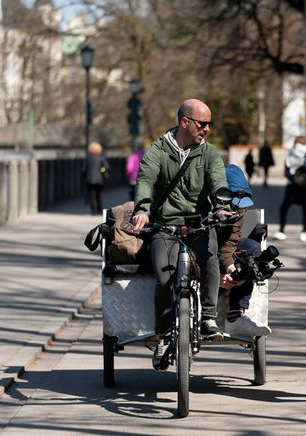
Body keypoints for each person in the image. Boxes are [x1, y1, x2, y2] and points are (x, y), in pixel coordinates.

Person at [131, 99, 230, 370]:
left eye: (210, 123)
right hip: (166, 227)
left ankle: (208, 318)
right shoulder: (157, 152)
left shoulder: (208, 153)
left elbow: (218, 180)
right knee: (164, 278)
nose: (208, 129)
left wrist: (221, 207)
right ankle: (163, 334)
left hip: (199, 225)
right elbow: (145, 181)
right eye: (203, 123)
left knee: (210, 258)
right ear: (185, 121)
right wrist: (142, 210)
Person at [218, 164, 271, 337]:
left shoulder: (239, 209)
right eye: (233, 201)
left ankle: (236, 314)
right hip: (204, 251)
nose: (237, 208)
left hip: (227, 249)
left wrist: (234, 269)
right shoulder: (203, 206)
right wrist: (215, 275)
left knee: (252, 252)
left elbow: (231, 242)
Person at [272, 136, 306, 242]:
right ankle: (303, 232)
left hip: (294, 185)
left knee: (285, 207)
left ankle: (282, 231)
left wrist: (294, 178)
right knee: (305, 209)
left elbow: (287, 171)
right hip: (302, 186)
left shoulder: (292, 155)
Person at [84, 141, 109, 215]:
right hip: (99, 179)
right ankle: (99, 210)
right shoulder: (101, 157)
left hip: (90, 179)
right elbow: (106, 167)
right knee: (99, 195)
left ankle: (93, 211)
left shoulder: (88, 158)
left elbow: (84, 169)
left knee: (92, 196)